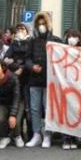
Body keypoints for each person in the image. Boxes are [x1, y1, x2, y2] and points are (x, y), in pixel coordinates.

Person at [25, 12, 61, 148]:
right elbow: (27, 58)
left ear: (48, 24)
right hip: (34, 80)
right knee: (34, 109)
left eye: (43, 23)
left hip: (49, 81)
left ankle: (47, 134)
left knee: (48, 108)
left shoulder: (55, 40)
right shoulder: (31, 41)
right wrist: (32, 66)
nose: (41, 26)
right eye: (39, 24)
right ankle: (36, 134)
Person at [4, 23, 32, 140]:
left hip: (28, 78)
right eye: (19, 28)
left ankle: (30, 133)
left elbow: (31, 59)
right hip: (16, 78)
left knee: (28, 106)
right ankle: (16, 132)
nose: (20, 30)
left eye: (23, 28)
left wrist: (21, 67)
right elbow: (6, 59)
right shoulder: (14, 43)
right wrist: (17, 66)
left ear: (27, 31)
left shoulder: (31, 43)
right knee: (17, 103)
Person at [61, 29, 81, 150]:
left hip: (78, 87)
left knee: (75, 113)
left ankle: (74, 137)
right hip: (65, 86)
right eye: (70, 36)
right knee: (65, 112)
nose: (72, 39)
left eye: (75, 36)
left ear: (79, 39)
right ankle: (66, 138)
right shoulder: (61, 51)